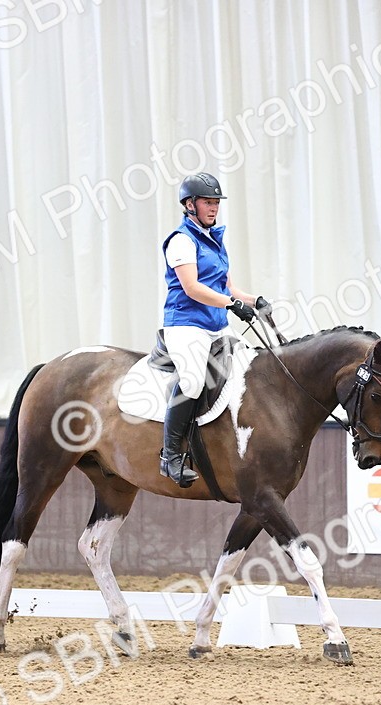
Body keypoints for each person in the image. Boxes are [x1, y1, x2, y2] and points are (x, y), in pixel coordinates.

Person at [159, 172, 263, 487]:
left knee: (253, 367)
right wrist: (232, 304)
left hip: (217, 325)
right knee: (192, 382)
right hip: (186, 324)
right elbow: (192, 288)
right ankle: (170, 456)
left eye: (216, 202)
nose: (214, 207)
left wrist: (254, 300)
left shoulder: (215, 239)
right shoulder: (181, 240)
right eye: (207, 202)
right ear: (190, 205)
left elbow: (228, 288)